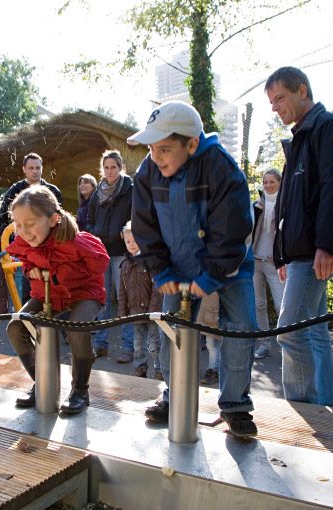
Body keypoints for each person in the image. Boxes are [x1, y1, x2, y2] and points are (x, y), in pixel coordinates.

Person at [129, 100, 259, 438]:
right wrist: (162, 270)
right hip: (177, 267)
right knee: (172, 330)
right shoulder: (149, 169)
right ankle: (175, 396)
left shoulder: (222, 168)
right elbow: (144, 225)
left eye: (165, 149)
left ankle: (235, 405)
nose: (156, 157)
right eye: (152, 149)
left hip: (228, 268)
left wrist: (212, 276)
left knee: (240, 327)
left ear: (192, 143)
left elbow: (233, 228)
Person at [264, 66, 333, 407]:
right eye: (271, 102)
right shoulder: (298, 138)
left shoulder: (327, 126)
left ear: (302, 90)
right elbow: (286, 205)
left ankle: (303, 411)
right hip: (299, 253)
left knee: (289, 331)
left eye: (279, 98)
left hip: (314, 251)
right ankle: (324, 408)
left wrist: (328, 245)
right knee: (315, 333)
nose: (275, 107)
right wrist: (281, 254)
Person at [5, 186, 109, 414]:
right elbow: (29, 259)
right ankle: (41, 382)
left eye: (30, 223)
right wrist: (32, 269)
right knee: (15, 327)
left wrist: (67, 271)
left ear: (53, 220)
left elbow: (101, 263)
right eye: (18, 225)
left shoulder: (76, 241)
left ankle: (80, 390)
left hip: (84, 294)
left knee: (76, 329)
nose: (23, 231)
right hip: (48, 294)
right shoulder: (26, 241)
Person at [85, 150, 135, 363]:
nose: (110, 171)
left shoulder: (129, 189)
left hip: (121, 252)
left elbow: (134, 218)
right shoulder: (98, 192)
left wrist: (122, 236)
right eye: (106, 167)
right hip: (101, 252)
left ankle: (128, 347)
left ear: (120, 167)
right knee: (103, 299)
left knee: (125, 300)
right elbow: (89, 219)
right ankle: (101, 344)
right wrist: (93, 235)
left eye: (113, 167)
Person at [0, 153, 63, 307]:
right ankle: (26, 324)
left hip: (48, 248)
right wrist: (15, 241)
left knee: (51, 287)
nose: (35, 171)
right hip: (24, 249)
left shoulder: (52, 191)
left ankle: (50, 324)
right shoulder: (15, 191)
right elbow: (2, 220)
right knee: (25, 289)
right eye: (31, 168)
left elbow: (59, 219)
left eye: (38, 168)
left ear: (42, 169)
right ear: (24, 169)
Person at [118, 221, 163, 379]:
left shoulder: (150, 262)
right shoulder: (125, 264)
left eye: (135, 241)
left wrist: (153, 311)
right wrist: (123, 311)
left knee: (154, 344)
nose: (131, 244)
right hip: (135, 311)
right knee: (138, 345)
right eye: (128, 241)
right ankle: (140, 367)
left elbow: (157, 290)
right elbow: (122, 290)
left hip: (151, 313)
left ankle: (159, 369)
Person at [251, 169, 286, 359]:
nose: (268, 185)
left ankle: (286, 344)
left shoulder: (285, 203)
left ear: (280, 182)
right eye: (265, 182)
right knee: (259, 305)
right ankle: (263, 344)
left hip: (275, 263)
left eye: (272, 182)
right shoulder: (257, 205)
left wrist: (283, 257)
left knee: (282, 306)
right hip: (256, 261)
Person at [195, 292, 220, 386]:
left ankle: (215, 369)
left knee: (223, 344)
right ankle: (213, 369)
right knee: (211, 343)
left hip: (223, 307)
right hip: (210, 308)